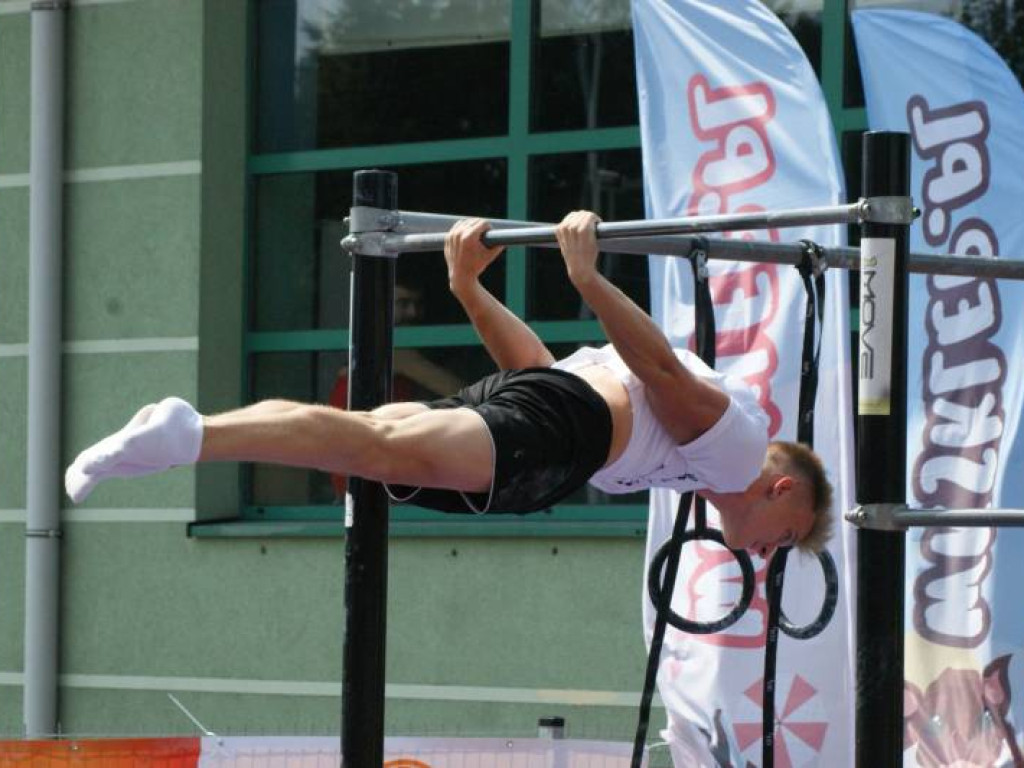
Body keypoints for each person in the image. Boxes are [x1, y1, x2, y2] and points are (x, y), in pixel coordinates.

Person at [64, 212, 833, 557]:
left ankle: (194, 434)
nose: (765, 555)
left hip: (544, 414)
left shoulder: (698, 469)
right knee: (374, 443)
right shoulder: (739, 456)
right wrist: (587, 277)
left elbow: (541, 375)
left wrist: (469, 291)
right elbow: (659, 368)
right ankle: (189, 436)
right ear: (783, 490)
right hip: (555, 441)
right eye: (786, 540)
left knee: (373, 443)